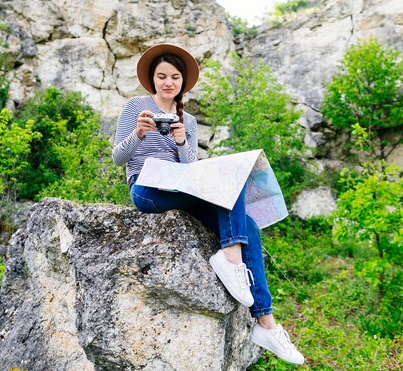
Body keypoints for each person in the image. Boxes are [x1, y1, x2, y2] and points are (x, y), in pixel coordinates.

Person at [112, 43, 304, 365]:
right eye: (162, 76)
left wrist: (182, 141)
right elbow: (119, 158)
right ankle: (230, 261)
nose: (168, 82)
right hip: (147, 187)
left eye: (175, 77)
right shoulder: (136, 107)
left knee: (250, 227)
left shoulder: (187, 120)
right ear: (153, 79)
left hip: (179, 184)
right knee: (226, 183)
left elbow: (190, 167)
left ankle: (266, 322)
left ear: (182, 83)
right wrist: (139, 134)